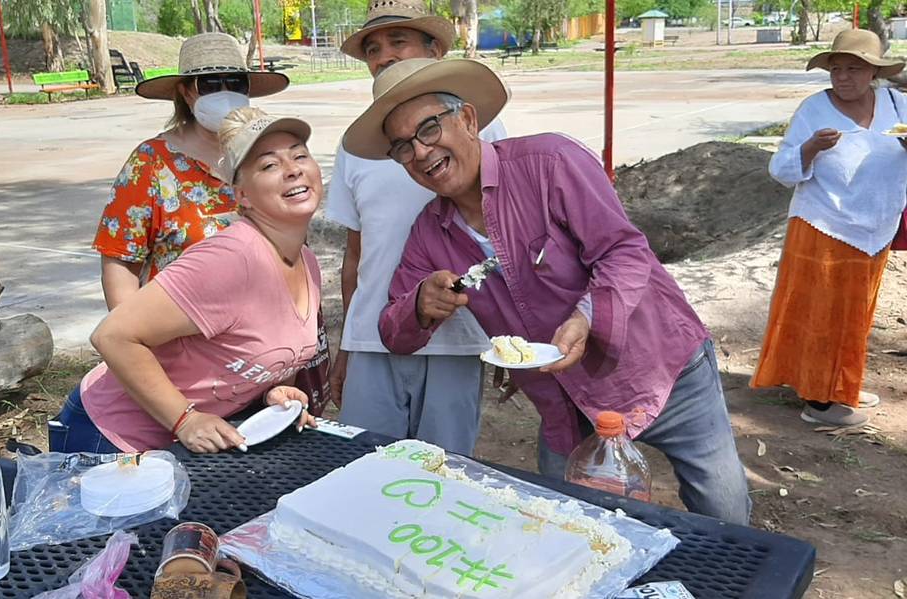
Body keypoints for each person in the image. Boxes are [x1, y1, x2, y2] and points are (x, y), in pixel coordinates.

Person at [344, 58, 751, 524]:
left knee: (724, 511)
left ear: (470, 120)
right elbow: (394, 331)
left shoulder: (551, 163)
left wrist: (586, 316)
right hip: (565, 401)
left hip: (659, 370)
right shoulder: (430, 234)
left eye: (430, 129)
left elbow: (623, 251)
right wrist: (419, 306)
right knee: (569, 523)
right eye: (402, 147)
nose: (420, 152)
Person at [49, 107, 320, 453]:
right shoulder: (231, 260)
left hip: (189, 447)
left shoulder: (307, 262)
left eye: (300, 155)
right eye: (269, 165)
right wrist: (185, 419)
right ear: (242, 196)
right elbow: (113, 335)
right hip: (113, 439)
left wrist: (273, 389)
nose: (293, 169)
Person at [326, 0, 507, 455]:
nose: (384, 55)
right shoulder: (357, 146)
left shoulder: (480, 125)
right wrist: (348, 343)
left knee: (440, 479)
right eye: (372, 48)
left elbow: (507, 232)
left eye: (398, 41)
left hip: (458, 338)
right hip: (372, 339)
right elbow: (355, 253)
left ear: (434, 50)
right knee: (363, 472)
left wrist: (510, 330)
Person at [751, 30, 907, 427]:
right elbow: (780, 170)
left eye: (854, 69)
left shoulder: (898, 105)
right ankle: (821, 403)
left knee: (856, 312)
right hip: (824, 223)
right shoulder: (814, 110)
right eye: (836, 69)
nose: (843, 77)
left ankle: (841, 383)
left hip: (876, 224)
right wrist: (810, 149)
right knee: (820, 311)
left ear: (873, 72)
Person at [92, 32, 288, 309]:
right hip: (179, 339)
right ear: (185, 92)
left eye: (235, 82)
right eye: (209, 84)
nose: (225, 92)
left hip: (265, 327)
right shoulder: (151, 163)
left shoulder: (265, 152)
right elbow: (120, 263)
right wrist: (127, 338)